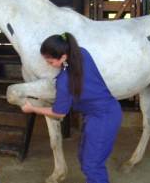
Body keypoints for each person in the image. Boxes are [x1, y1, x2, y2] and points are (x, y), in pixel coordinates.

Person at [22, 32, 123, 183]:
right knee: (83, 157)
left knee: (92, 165)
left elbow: (59, 113)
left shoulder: (64, 81)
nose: (48, 65)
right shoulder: (81, 53)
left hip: (104, 117)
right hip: (101, 113)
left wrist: (33, 109)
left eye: (50, 62)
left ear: (63, 57)